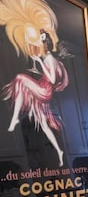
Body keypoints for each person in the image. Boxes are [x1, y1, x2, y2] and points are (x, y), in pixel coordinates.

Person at [2, 30, 68, 166]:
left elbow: (53, 79)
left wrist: (39, 62)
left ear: (46, 44)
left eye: (41, 41)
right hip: (42, 86)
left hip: (44, 90)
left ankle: (14, 118)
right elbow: (48, 75)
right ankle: (59, 151)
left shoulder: (48, 58)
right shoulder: (48, 58)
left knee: (20, 79)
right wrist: (38, 70)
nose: (39, 43)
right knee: (44, 125)